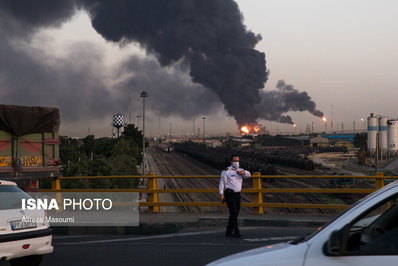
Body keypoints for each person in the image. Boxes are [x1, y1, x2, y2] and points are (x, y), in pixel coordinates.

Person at [219, 155, 251, 237]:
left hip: (237, 195)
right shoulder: (226, 171)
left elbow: (249, 175)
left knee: (235, 214)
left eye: (238, 161)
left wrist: (244, 172)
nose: (236, 162)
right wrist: (221, 194)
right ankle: (236, 232)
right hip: (229, 194)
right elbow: (222, 183)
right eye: (234, 161)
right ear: (231, 161)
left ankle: (229, 230)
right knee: (234, 212)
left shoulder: (241, 170)